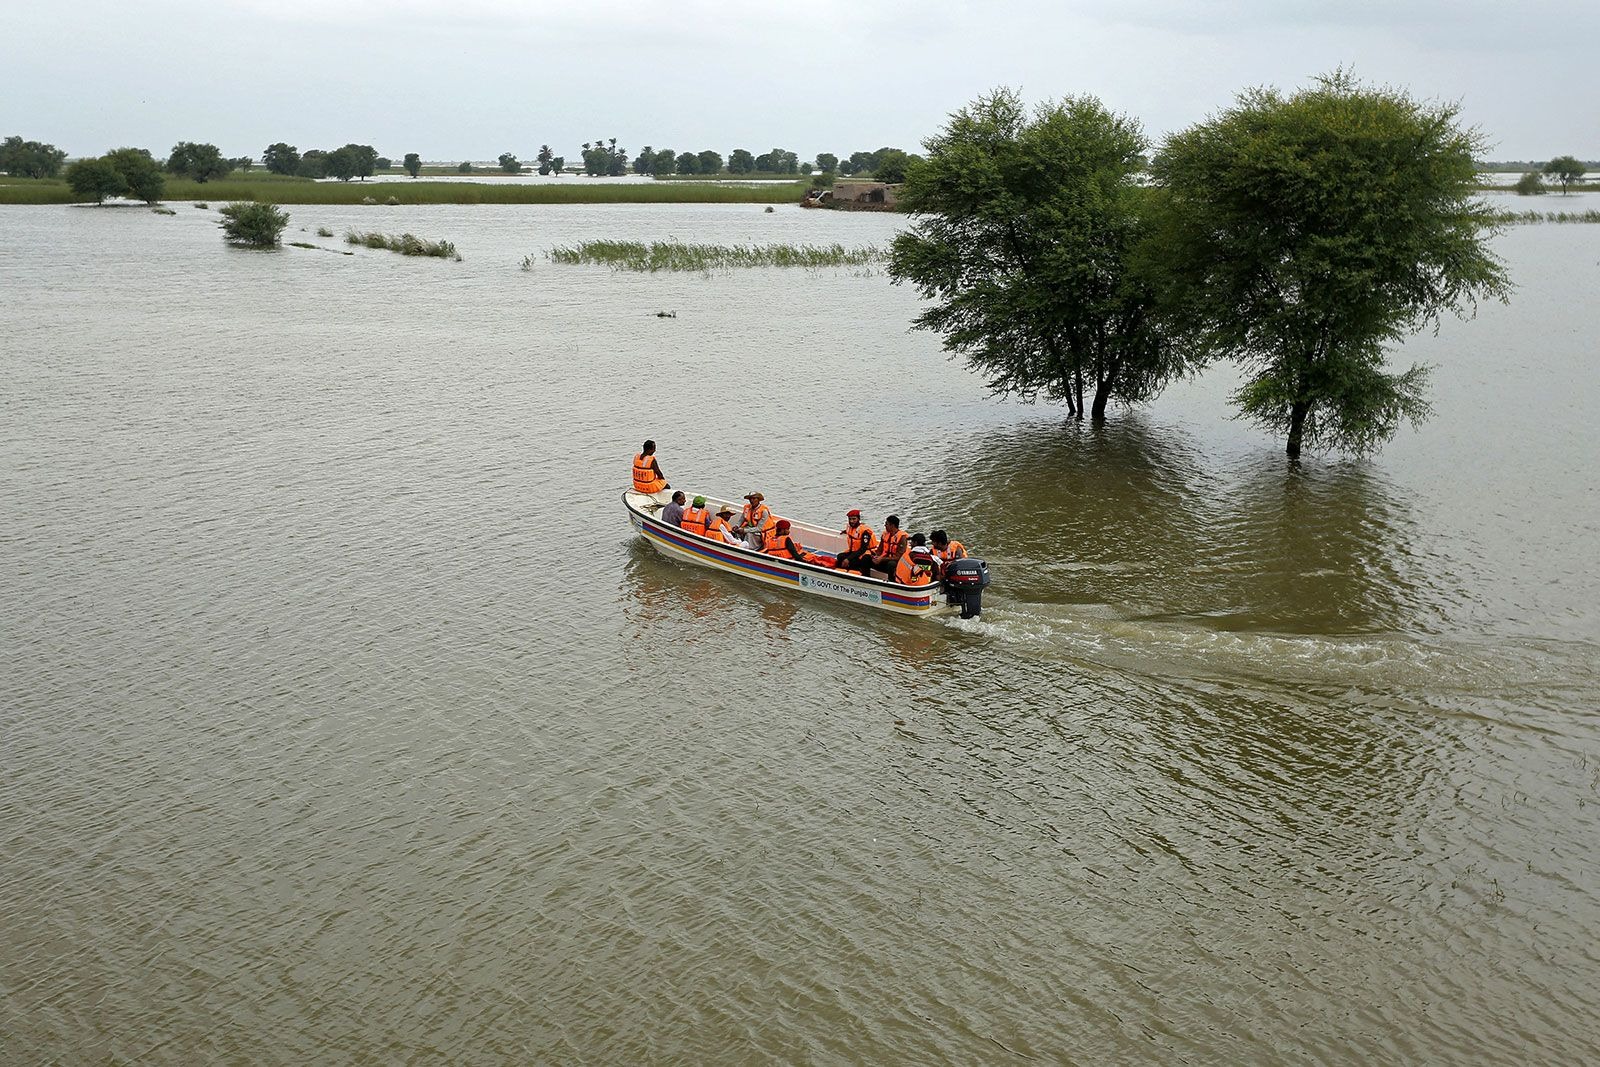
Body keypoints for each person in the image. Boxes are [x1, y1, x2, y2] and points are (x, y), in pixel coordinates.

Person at [763, 519, 830, 566]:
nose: (789, 531)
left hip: (781, 561)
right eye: (788, 529)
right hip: (791, 561)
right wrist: (804, 563)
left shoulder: (769, 540)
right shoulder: (786, 539)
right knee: (822, 559)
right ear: (783, 530)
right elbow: (795, 554)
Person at [865, 514, 909, 579]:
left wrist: (882, 559)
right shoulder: (884, 534)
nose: (885, 525)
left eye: (886, 524)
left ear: (892, 525)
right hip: (883, 560)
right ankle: (866, 578)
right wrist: (876, 557)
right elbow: (879, 550)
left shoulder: (902, 537)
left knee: (891, 564)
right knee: (866, 558)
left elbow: (899, 557)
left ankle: (892, 583)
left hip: (894, 563)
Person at [835, 509, 877, 574]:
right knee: (840, 556)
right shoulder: (850, 527)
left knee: (856, 560)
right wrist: (844, 531)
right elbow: (852, 533)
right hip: (854, 552)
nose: (852, 521)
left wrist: (848, 559)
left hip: (865, 554)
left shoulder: (865, 532)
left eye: (854, 519)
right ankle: (844, 573)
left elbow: (863, 549)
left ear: (858, 519)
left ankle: (863, 576)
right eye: (850, 519)